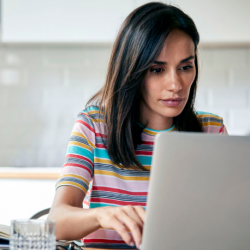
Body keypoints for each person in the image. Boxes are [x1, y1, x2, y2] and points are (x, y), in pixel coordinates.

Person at [47, 2, 228, 249]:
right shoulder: (95, 125)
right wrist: (102, 215)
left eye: (186, 67)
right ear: (132, 71)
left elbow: (230, 219)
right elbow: (56, 220)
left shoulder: (211, 130)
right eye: (157, 69)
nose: (175, 84)